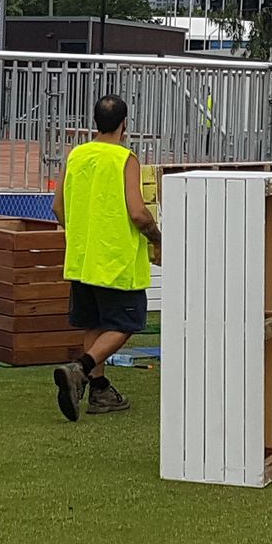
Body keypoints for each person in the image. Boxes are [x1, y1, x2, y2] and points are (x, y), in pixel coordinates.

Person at [50, 92, 160, 421]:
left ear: (94, 122)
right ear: (125, 125)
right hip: (116, 258)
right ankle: (80, 370)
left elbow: (58, 207)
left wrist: (82, 232)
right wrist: (156, 236)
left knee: (94, 322)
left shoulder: (76, 156)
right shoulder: (124, 159)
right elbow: (138, 213)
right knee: (127, 322)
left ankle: (98, 391)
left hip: (82, 258)